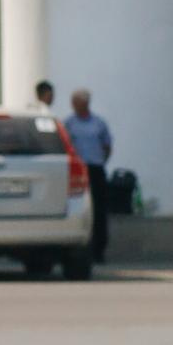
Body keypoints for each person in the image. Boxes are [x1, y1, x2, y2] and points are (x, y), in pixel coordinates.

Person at [62, 85, 115, 261]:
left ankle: (99, 250)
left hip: (96, 169)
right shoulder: (69, 123)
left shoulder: (98, 123)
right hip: (79, 171)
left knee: (99, 211)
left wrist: (101, 160)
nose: (74, 105)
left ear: (85, 103)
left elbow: (107, 145)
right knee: (81, 209)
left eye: (77, 102)